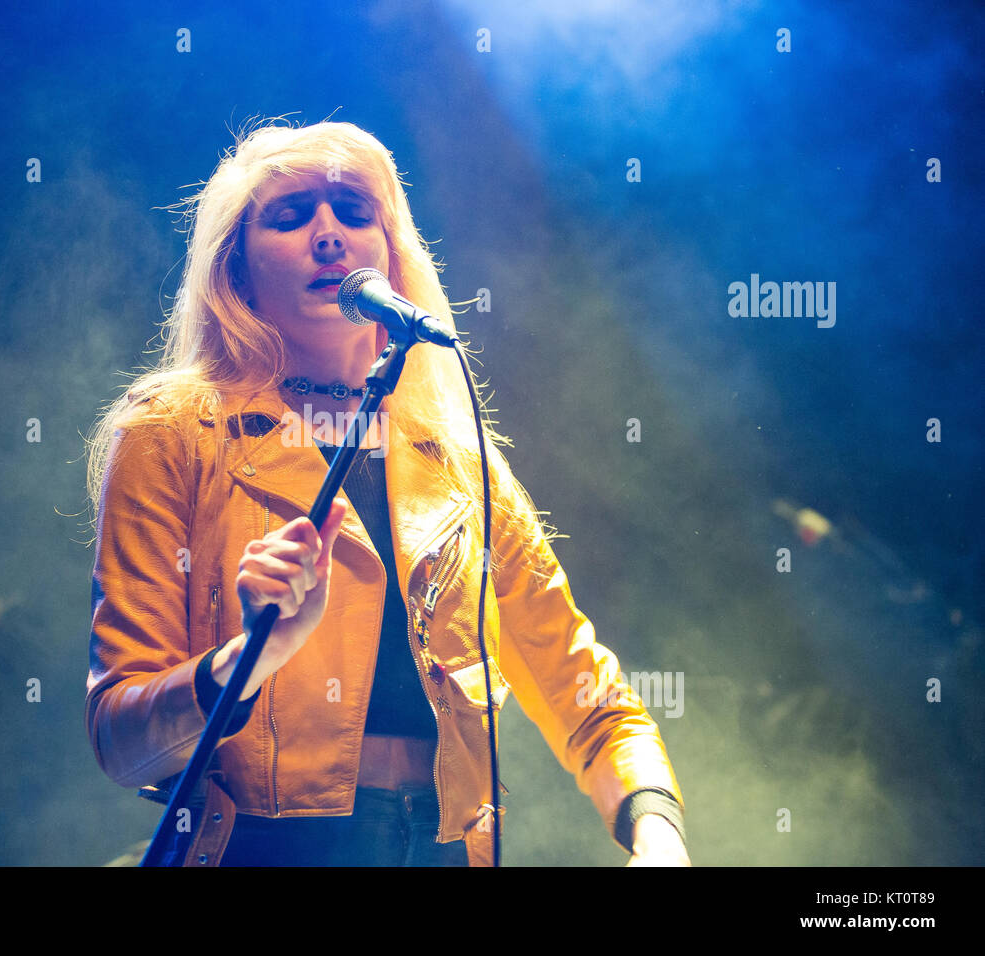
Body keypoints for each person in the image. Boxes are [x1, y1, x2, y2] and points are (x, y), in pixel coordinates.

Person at [84, 118, 689, 866]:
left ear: (392, 254)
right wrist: (255, 654)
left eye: (354, 211)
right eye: (291, 214)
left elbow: (584, 693)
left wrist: (656, 832)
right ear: (235, 268)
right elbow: (120, 738)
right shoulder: (172, 434)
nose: (329, 234)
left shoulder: (459, 463)